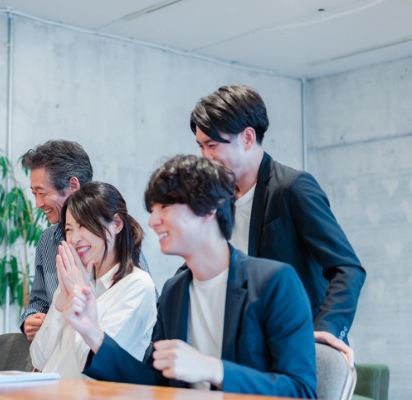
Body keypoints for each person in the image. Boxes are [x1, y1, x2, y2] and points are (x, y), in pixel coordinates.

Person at [61, 155, 316, 397]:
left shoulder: (274, 283)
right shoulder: (175, 291)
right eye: (153, 209)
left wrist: (213, 369)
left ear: (209, 210)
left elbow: (300, 390)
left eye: (166, 207)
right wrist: (92, 333)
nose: (153, 221)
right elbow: (154, 383)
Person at [190, 84, 366, 363]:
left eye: (212, 145)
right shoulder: (218, 199)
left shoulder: (293, 188)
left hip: (293, 345)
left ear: (247, 138)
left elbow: (348, 268)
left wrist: (325, 329)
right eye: (201, 146)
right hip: (242, 348)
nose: (205, 157)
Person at [20, 139, 152, 340]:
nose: (38, 204)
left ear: (73, 185)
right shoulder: (47, 240)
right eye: (34, 194)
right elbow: (38, 300)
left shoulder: (117, 242)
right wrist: (31, 319)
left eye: (42, 193)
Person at [29, 182, 156, 378]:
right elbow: (38, 359)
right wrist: (60, 303)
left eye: (83, 226)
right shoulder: (76, 280)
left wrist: (77, 293)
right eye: (69, 229)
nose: (74, 238)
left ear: (117, 224)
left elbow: (90, 364)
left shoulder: (137, 285)